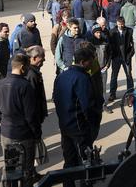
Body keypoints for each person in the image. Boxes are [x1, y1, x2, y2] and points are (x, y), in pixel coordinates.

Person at [54, 47, 101, 187]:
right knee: (85, 160)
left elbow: (56, 99)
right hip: (79, 127)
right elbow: (88, 105)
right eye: (91, 61)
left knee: (69, 160)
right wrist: (93, 123)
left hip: (64, 125)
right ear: (83, 62)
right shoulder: (82, 78)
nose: (92, 64)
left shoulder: (62, 75)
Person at [0, 54, 41, 186]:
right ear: (22, 67)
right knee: (26, 170)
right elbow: (30, 115)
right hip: (24, 135)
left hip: (6, 134)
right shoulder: (25, 86)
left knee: (9, 167)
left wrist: (5, 122)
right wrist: (37, 133)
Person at [109, 17, 134, 101]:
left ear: (124, 23)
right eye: (119, 24)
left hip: (126, 57)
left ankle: (130, 94)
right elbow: (110, 45)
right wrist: (112, 55)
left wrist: (130, 54)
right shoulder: (112, 31)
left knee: (129, 76)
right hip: (116, 57)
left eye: (122, 24)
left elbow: (133, 44)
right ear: (116, 23)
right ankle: (112, 94)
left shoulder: (129, 31)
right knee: (114, 76)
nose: (121, 25)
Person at [89, 25, 112, 113]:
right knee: (93, 88)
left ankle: (104, 105)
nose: (98, 34)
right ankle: (95, 105)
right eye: (96, 32)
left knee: (103, 87)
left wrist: (107, 65)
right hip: (93, 69)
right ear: (93, 33)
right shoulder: (90, 42)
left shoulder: (105, 41)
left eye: (99, 32)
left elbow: (110, 53)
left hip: (103, 68)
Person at [26, 46, 47, 126]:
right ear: (34, 58)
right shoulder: (31, 74)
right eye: (42, 57)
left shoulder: (33, 72)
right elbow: (32, 98)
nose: (44, 60)